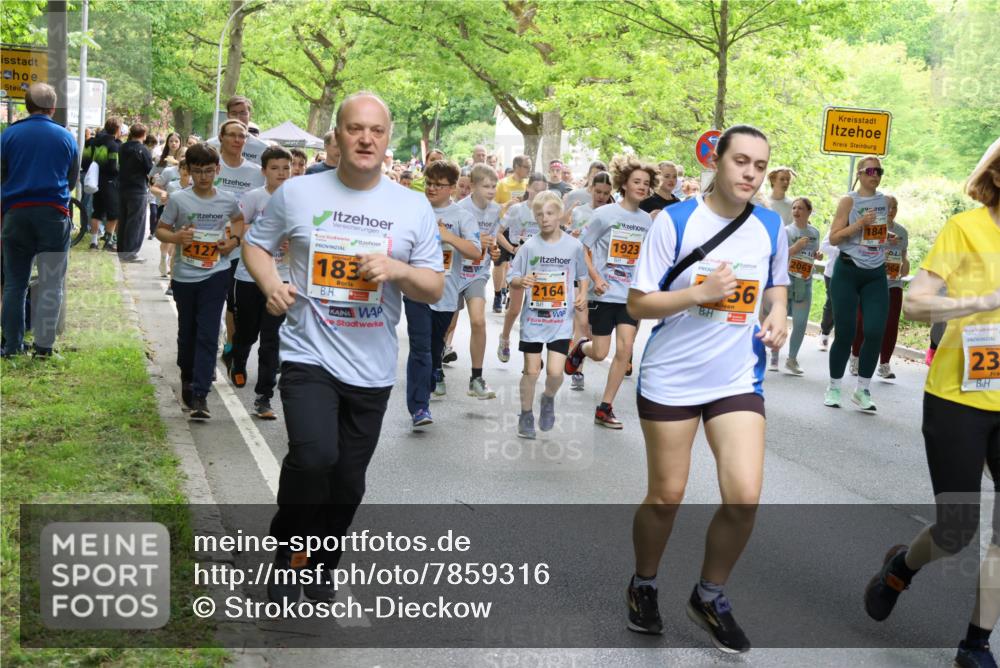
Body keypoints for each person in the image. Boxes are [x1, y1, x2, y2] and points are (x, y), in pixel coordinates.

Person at [242, 92, 443, 603]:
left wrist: (397, 270)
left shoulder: (411, 205)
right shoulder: (299, 194)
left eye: (375, 131)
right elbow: (256, 243)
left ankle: (321, 563)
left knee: (348, 482)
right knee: (314, 459)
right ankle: (288, 551)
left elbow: (434, 287)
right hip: (308, 353)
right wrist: (271, 286)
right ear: (337, 136)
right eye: (355, 128)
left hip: (371, 367)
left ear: (388, 139)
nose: (365, 139)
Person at [625, 125, 788, 654]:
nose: (750, 174)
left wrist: (779, 313)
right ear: (716, 163)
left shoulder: (768, 225)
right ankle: (644, 585)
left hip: (736, 376)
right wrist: (699, 292)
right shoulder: (674, 221)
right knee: (667, 495)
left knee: (744, 497)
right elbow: (638, 304)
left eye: (760, 166)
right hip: (672, 375)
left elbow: (777, 284)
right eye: (741, 161)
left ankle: (708, 595)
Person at [862, 137, 1000, 668]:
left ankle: (976, 643)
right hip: (959, 398)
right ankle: (901, 567)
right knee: (956, 530)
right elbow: (918, 302)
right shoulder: (965, 229)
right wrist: (981, 302)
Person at [565, 156, 658, 428]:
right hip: (603, 294)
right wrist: (595, 277)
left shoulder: (646, 221)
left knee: (625, 348)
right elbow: (582, 248)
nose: (642, 187)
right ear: (624, 185)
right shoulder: (604, 214)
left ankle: (605, 407)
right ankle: (582, 348)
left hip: (630, 296)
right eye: (636, 182)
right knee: (600, 351)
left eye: (646, 183)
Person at [155, 143, 241, 419]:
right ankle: (187, 376)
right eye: (196, 172)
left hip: (216, 273)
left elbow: (239, 221)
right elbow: (161, 230)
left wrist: (233, 241)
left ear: (217, 170)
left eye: (208, 171)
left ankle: (201, 394)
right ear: (188, 172)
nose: (203, 177)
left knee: (207, 333)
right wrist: (177, 238)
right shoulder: (179, 199)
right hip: (185, 275)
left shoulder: (227, 200)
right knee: (188, 331)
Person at [0, 82, 79, 358]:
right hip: (53, 215)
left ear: (27, 105)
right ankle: (44, 348)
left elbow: (2, 174)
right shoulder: (66, 137)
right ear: (52, 107)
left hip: (16, 214)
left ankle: (11, 347)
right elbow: (72, 180)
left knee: (14, 283)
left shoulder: (8, 136)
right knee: (51, 283)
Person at [508, 191, 589, 439]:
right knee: (531, 371)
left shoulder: (573, 246)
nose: (545, 219)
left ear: (560, 215)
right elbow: (512, 277)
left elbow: (583, 276)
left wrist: (583, 294)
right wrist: (522, 280)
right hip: (533, 319)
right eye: (540, 214)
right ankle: (525, 414)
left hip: (560, 321)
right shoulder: (529, 247)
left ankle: (548, 398)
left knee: (555, 372)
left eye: (550, 213)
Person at [407, 160, 480, 425]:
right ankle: (419, 408)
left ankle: (429, 380)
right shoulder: (414, 210)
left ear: (451, 188)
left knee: (434, 347)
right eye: (429, 183)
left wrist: (447, 236)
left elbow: (475, 252)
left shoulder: (462, 217)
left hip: (446, 294)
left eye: (439, 185)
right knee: (420, 348)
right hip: (416, 288)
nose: (432, 188)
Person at [228, 146, 293, 419]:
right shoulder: (254, 197)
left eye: (286, 168)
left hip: (282, 277)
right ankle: (238, 360)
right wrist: (265, 234)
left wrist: (294, 242)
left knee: (272, 339)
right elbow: (238, 230)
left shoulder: (297, 200)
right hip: (249, 276)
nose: (281, 173)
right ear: (264, 171)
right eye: (275, 168)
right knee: (247, 333)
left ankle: (264, 396)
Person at [825, 156, 890, 411]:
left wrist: (889, 239)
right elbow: (834, 238)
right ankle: (833, 387)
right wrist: (859, 224)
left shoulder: (884, 201)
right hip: (848, 271)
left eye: (880, 171)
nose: (876, 175)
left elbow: (879, 233)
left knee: (875, 332)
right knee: (846, 333)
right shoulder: (849, 201)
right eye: (871, 170)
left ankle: (862, 390)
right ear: (861, 174)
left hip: (875, 273)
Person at [213, 120, 266, 373]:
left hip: (240, 247)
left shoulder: (256, 172)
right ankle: (211, 348)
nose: (237, 140)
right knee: (212, 301)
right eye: (232, 135)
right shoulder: (212, 167)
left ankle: (231, 348)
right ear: (221, 137)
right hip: (210, 243)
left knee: (233, 303)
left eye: (242, 136)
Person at [849, 195, 909, 379]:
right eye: (888, 207)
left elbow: (904, 258)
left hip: (894, 282)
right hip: (872, 280)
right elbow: (862, 252)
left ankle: (884, 364)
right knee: (863, 321)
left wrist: (904, 266)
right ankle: (855, 358)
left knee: (891, 324)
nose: (891, 211)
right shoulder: (872, 226)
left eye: (895, 207)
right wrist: (883, 243)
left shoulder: (902, 232)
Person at [496, 173, 549, 360]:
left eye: (543, 190)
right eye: (536, 189)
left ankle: (534, 349)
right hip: (519, 263)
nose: (539, 193)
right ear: (528, 188)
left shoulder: (548, 213)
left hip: (542, 266)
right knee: (516, 308)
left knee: (539, 308)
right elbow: (499, 232)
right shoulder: (517, 209)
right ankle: (505, 337)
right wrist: (512, 248)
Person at [771, 197, 822, 375]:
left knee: (800, 323)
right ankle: (775, 355)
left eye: (800, 208)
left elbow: (813, 252)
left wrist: (817, 255)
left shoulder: (814, 232)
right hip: (786, 281)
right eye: (794, 208)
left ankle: (792, 359)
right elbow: (779, 256)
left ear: (809, 212)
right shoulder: (785, 231)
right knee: (780, 320)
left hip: (805, 281)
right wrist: (796, 247)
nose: (796, 211)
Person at [81, 116, 123, 250]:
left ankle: (94, 242)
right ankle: (108, 242)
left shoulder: (92, 142)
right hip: (109, 182)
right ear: (117, 129)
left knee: (97, 211)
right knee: (114, 213)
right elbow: (113, 166)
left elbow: (85, 162)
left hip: (94, 182)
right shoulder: (114, 145)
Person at [116, 123, 154, 263]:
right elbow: (149, 169)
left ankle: (122, 250)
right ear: (144, 135)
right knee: (136, 221)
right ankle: (131, 252)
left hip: (123, 187)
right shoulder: (143, 150)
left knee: (124, 219)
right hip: (138, 188)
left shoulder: (123, 147)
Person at [206, 95, 270, 165]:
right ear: (228, 115)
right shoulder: (210, 146)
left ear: (250, 115)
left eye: (243, 113)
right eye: (234, 113)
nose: (238, 117)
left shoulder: (263, 148)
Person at [818, 230, 840, 350]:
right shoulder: (835, 227)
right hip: (832, 273)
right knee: (831, 304)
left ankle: (841, 338)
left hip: (851, 275)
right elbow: (823, 247)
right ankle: (824, 334)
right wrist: (841, 252)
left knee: (845, 306)